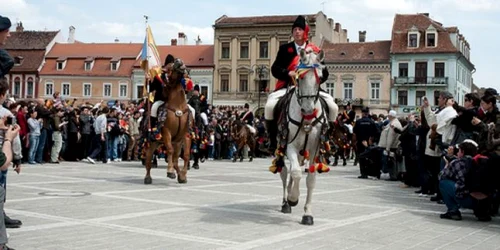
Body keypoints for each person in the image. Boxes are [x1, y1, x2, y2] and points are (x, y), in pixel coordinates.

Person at [264, 15, 336, 153]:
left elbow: (325, 74)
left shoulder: (314, 50)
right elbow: (275, 69)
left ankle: (327, 138)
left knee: (333, 106)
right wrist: (287, 73)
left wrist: (315, 77)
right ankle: (272, 141)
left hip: (311, 89)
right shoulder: (285, 49)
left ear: (305, 32)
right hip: (288, 86)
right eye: (295, 29)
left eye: (300, 29)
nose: (297, 32)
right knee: (269, 106)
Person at [149, 54, 175, 128]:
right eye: (170, 64)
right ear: (167, 64)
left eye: (172, 65)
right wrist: (149, 81)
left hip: (172, 100)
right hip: (161, 100)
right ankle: (153, 128)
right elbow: (151, 88)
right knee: (154, 108)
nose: (171, 66)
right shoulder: (159, 75)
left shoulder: (174, 76)